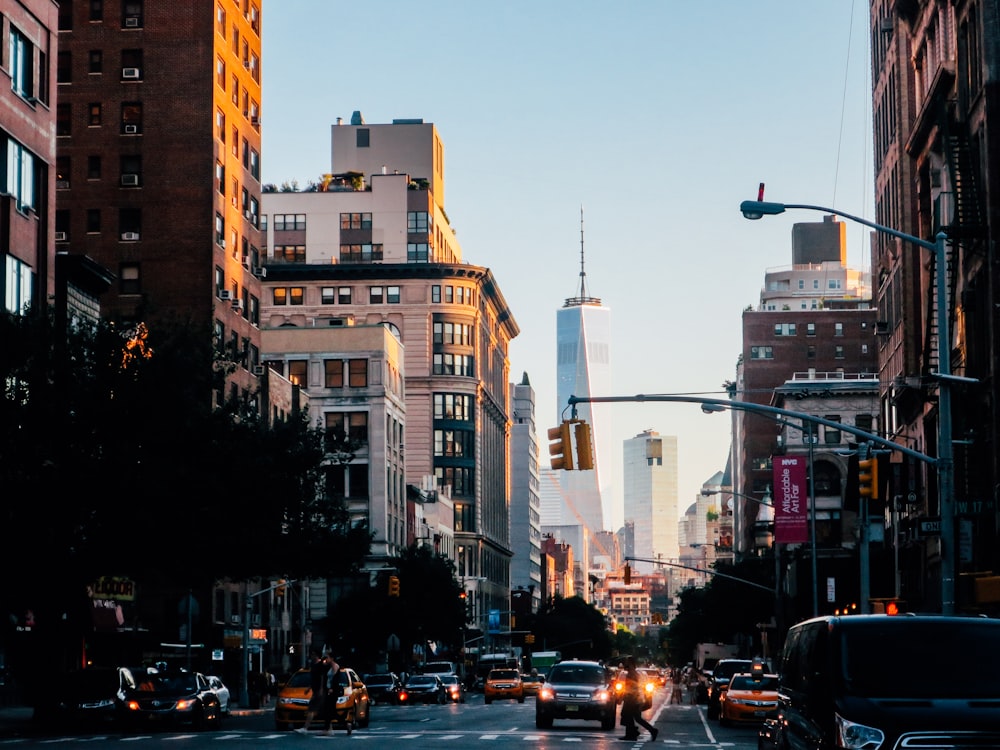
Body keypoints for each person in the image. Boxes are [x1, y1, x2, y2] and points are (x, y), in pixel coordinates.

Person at [620, 658, 658, 742]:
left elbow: (632, 687)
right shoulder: (632, 673)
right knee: (633, 717)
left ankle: (633, 733)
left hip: (632, 699)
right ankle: (633, 733)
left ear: (631, 664)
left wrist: (626, 696)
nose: (625, 665)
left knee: (628, 716)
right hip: (634, 699)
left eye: (627, 663)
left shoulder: (632, 674)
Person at [296, 648, 330, 733]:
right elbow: (313, 679)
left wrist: (321, 689)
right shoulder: (313, 665)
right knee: (324, 710)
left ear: (317, 655)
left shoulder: (320, 665)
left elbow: (322, 677)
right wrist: (309, 688)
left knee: (311, 709)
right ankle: (329, 728)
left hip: (319, 690)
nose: (312, 656)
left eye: (313, 654)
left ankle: (305, 728)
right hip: (316, 690)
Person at [320, 656, 344, 735]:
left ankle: (327, 728)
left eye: (328, 658)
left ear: (332, 658)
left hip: (333, 691)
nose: (327, 660)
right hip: (328, 690)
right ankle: (345, 724)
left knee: (329, 710)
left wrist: (332, 688)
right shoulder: (328, 667)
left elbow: (335, 679)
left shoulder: (335, 666)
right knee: (331, 711)